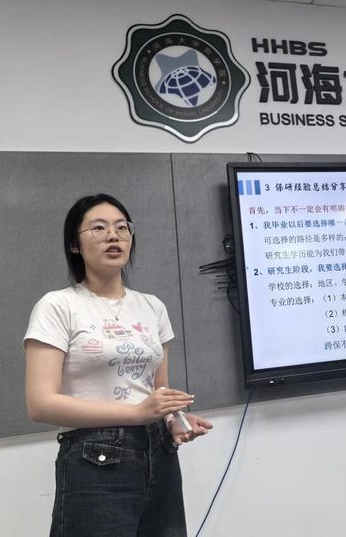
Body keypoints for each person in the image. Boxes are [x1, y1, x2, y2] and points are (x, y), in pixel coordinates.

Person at [24, 193, 212, 537]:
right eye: (99, 228)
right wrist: (137, 413)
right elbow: (41, 404)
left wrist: (173, 419)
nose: (113, 235)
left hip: (159, 451)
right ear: (74, 245)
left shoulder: (152, 306)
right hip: (95, 455)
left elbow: (157, 389)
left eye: (122, 227)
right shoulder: (58, 306)